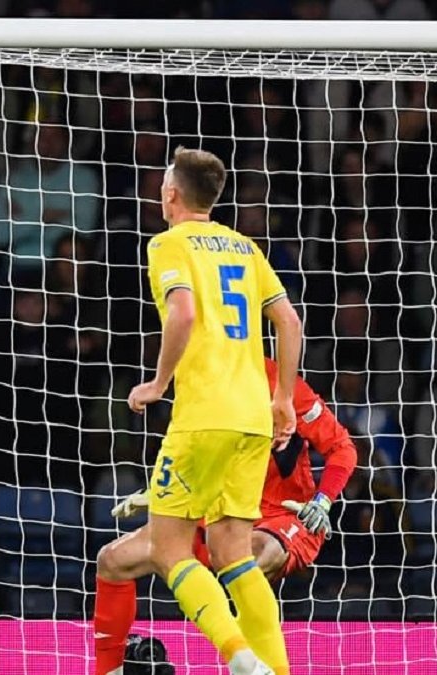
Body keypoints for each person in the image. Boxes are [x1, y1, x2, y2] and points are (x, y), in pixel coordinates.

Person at [125, 147, 302, 675]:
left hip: (203, 417)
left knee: (167, 549)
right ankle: (276, 670)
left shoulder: (168, 243)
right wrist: (283, 398)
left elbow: (182, 313)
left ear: (171, 194)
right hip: (253, 417)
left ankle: (240, 658)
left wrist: (158, 384)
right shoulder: (245, 246)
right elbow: (289, 322)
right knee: (233, 554)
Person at [94, 358, 357, 675]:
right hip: (215, 509)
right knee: (113, 559)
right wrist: (160, 494)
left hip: (282, 514)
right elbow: (190, 453)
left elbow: (342, 447)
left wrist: (323, 500)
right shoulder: (197, 381)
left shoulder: (281, 385)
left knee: (246, 558)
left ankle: (251, 661)